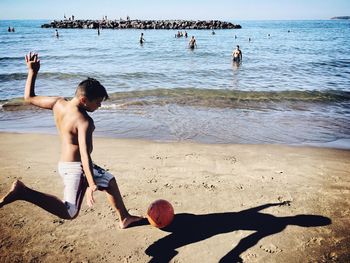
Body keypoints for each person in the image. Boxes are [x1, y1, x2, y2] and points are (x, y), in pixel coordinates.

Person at [0, 52, 143, 229]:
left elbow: (28, 98)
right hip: (77, 169)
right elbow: (84, 155)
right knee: (70, 211)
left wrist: (32, 72)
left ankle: (124, 218)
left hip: (66, 164)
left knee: (109, 180)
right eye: (97, 102)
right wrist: (91, 185)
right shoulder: (84, 122)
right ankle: (23, 192)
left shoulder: (58, 103)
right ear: (84, 100)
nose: (99, 106)